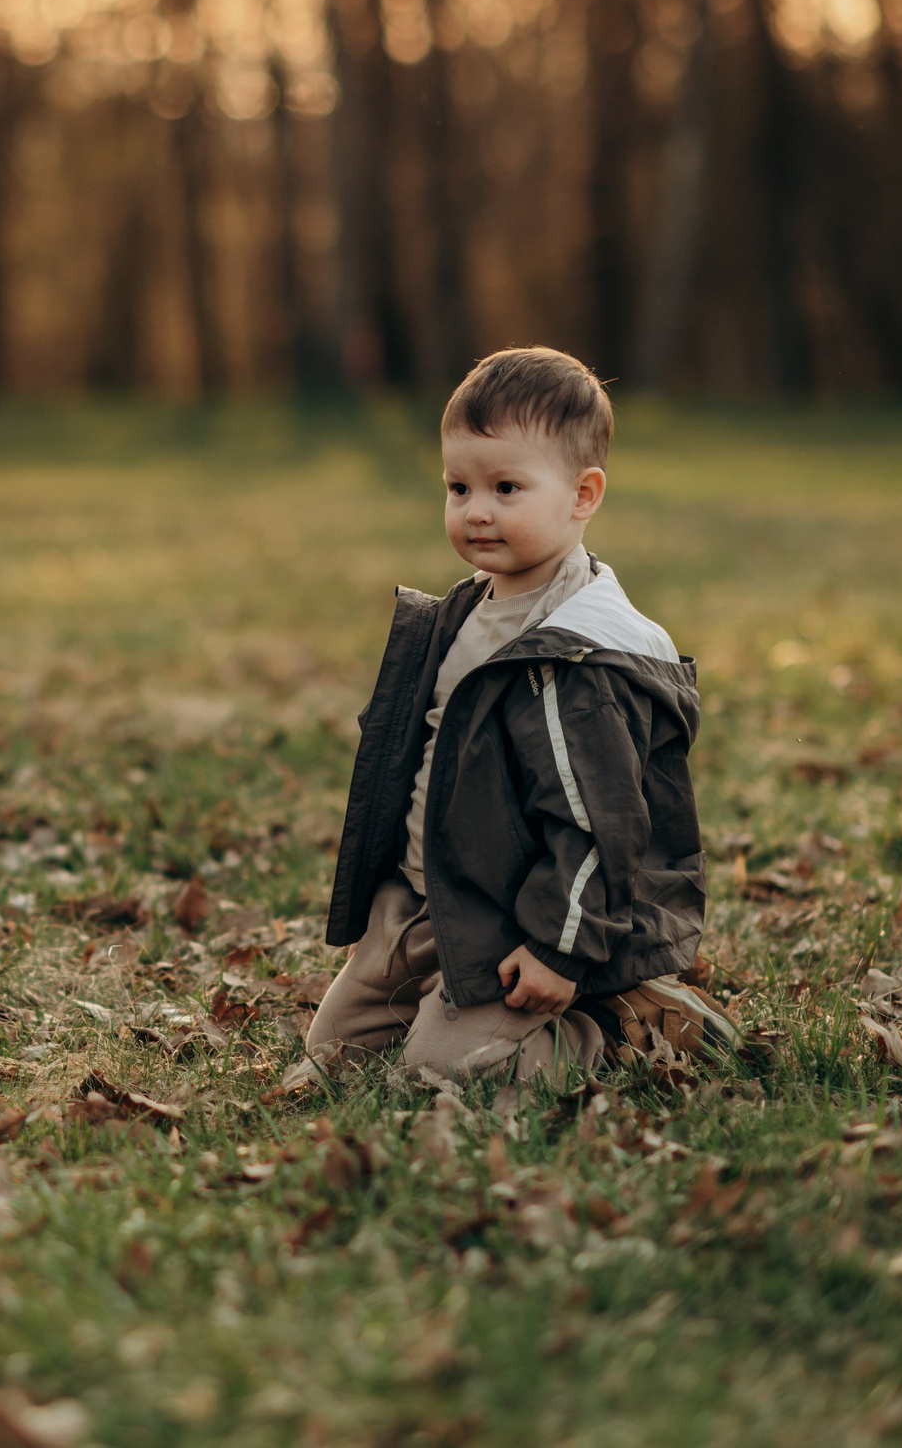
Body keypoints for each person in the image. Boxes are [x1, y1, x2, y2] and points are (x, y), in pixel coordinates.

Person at [306, 347, 733, 1083]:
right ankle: (438, 995)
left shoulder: (581, 657)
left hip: (525, 919)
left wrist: (558, 948)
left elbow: (603, 827)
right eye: (458, 485)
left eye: (506, 487)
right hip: (429, 901)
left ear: (582, 493)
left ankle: (620, 1019)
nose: (476, 509)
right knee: (334, 1056)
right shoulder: (466, 611)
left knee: (445, 1070)